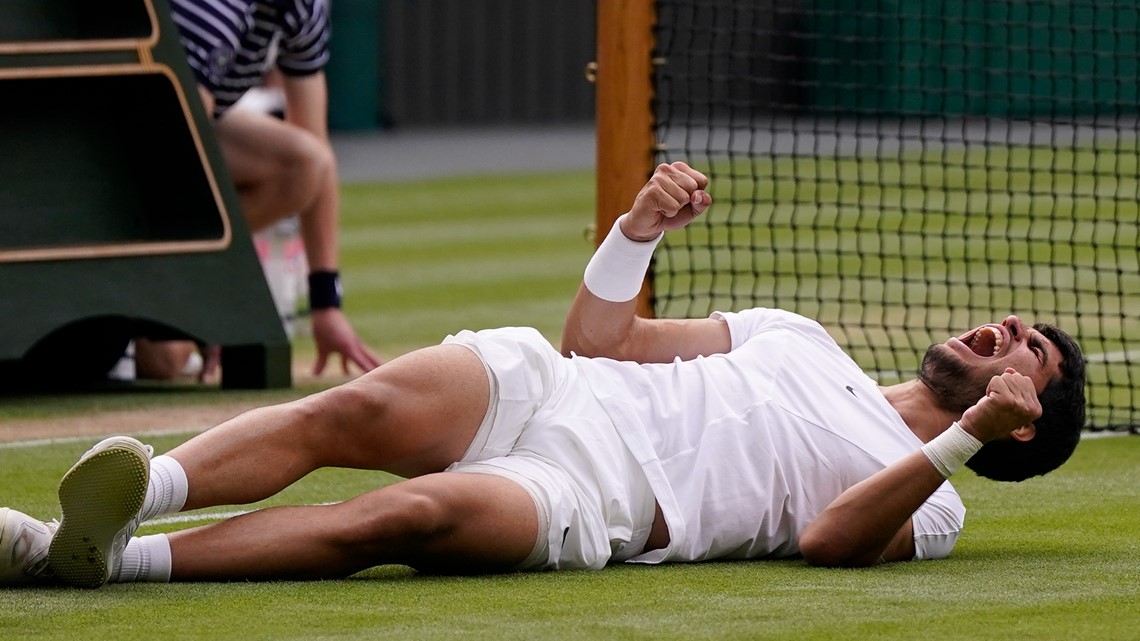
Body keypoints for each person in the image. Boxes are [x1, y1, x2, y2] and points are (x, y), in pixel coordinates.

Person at [0, 162, 1086, 588]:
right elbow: (600, 336)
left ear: (1023, 424)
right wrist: (636, 231)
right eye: (1013, 322)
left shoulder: (933, 495)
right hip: (563, 389)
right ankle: (139, 496)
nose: (1002, 330)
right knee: (356, 404)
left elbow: (829, 541)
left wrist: (964, 436)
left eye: (1027, 349)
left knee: (405, 515)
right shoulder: (796, 332)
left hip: (602, 496)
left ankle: (103, 561)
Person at [134, 0, 381, 379]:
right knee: (164, 355)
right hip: (127, 137)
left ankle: (159, 294)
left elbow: (319, 153)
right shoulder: (214, 10)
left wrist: (325, 305)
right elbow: (177, 149)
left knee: (306, 164)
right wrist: (210, 290)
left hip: (189, 127)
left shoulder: (305, 9)